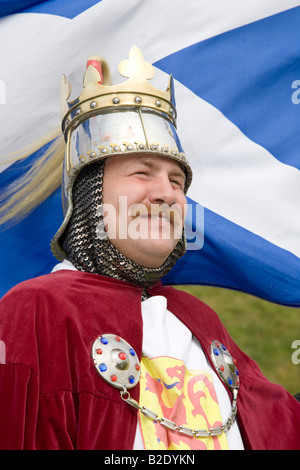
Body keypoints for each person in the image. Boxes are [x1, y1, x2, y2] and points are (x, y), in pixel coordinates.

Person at [0, 46, 299, 451]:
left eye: (178, 182)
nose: (166, 194)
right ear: (93, 196)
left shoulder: (198, 318)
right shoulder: (35, 311)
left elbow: (280, 425)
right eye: (143, 172)